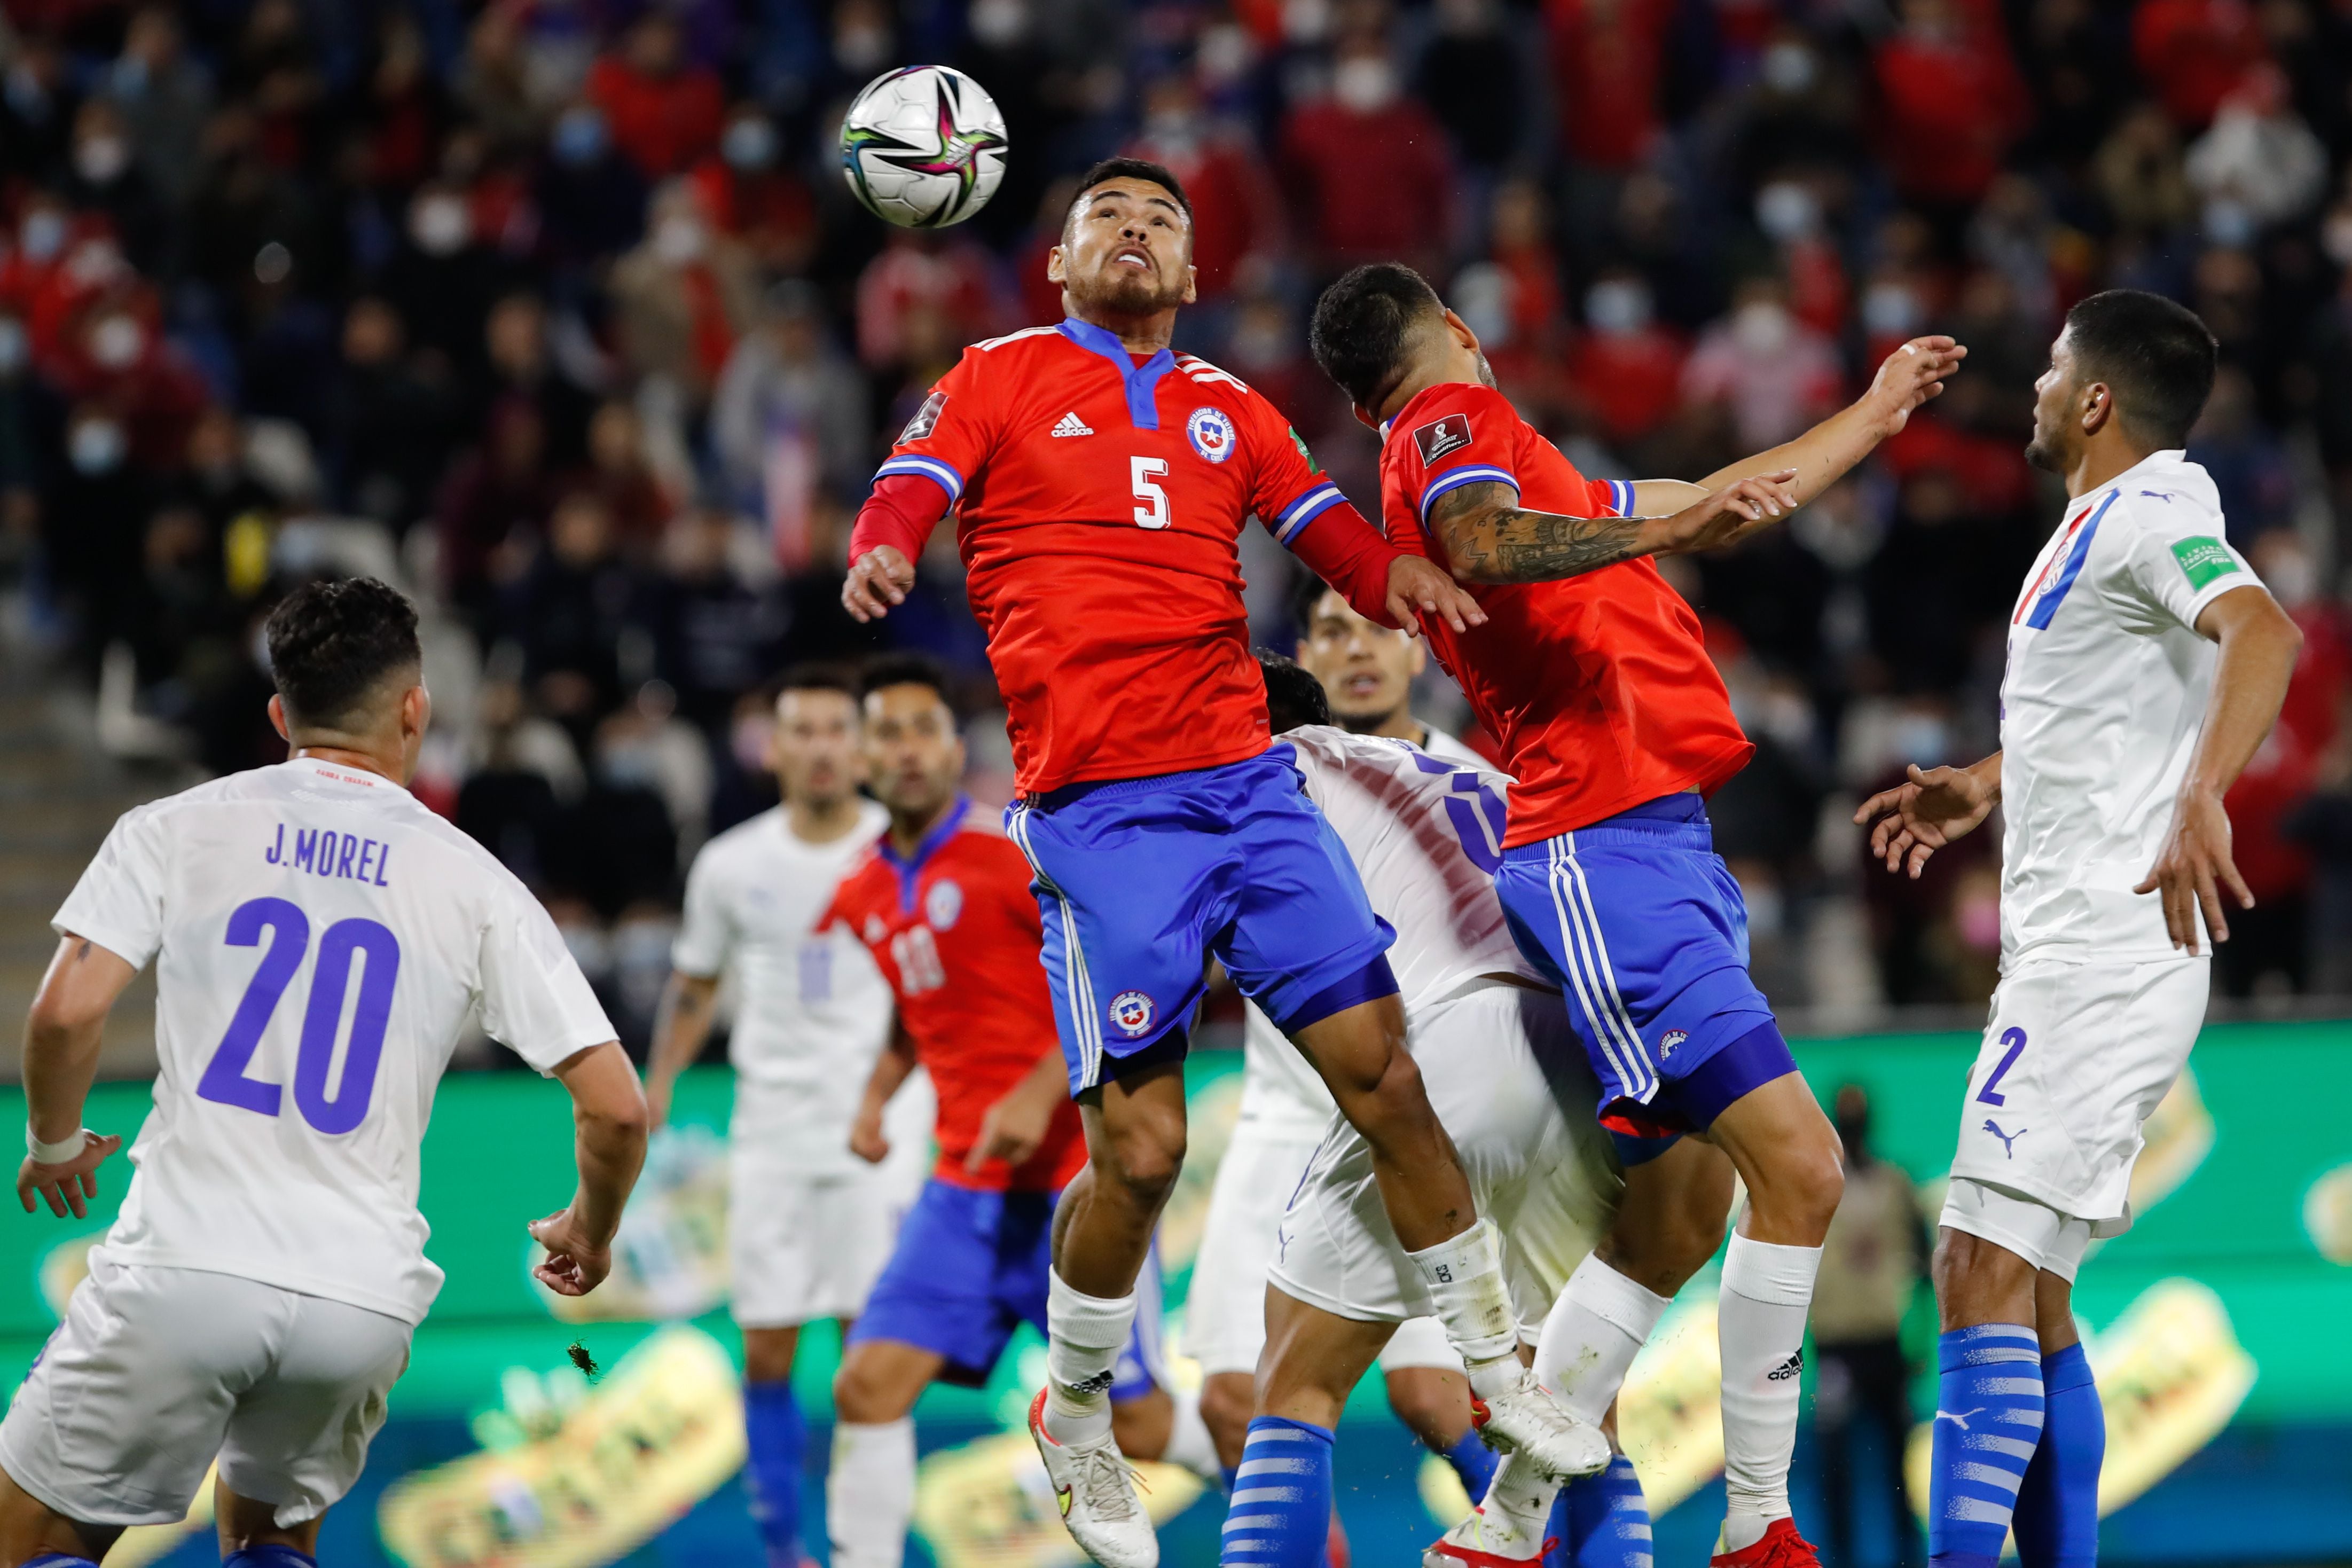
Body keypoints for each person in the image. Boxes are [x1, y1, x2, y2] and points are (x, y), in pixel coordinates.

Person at [841, 158, 1588, 1567]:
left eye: (1162, 223)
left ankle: (1500, 1379)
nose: (1135, 233)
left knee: (1389, 1078)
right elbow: (906, 485)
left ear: (1191, 278)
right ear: (1059, 267)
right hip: (1104, 818)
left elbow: (1330, 539)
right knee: (1140, 1152)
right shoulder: (996, 374)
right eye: (1107, 220)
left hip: (1248, 791)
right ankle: (1073, 1414)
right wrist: (881, 551)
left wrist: (1405, 582)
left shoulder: (1230, 412)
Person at [1306, 260, 1965, 1568]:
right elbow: (1493, 542)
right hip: (1601, 847)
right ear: (1450, 331)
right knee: (1804, 1168)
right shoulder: (1451, 428)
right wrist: (1670, 531)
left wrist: (1872, 417)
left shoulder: (1517, 459)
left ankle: (1499, 1532)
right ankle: (1756, 1524)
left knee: (1673, 1219)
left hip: (1653, 842)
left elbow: (1704, 500)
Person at [0, 577, 647, 1568]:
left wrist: (52, 1142)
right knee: (269, 1542)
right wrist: (589, 1233)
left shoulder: (177, 826)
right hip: (358, 1296)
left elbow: (66, 1012)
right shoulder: (475, 879)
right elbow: (616, 1110)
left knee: (35, 1540)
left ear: (278, 715)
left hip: (188, 1266)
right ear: (414, 708)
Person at [1855, 289, 2301, 1568]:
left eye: (2055, 373)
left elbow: (2258, 628)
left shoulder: (2157, 504)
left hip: (2101, 956)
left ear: (2095, 399)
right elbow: (2109, 707)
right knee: (2034, 1296)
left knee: (1971, 1268)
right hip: (2068, 954)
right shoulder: (2091, 530)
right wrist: (1985, 785)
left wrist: (2205, 794)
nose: (2039, 392)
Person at [1213, 653, 1732, 1568]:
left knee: (1296, 1381)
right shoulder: (1484, 775)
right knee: (1570, 1406)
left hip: (1459, 1045)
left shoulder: (1262, 773)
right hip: (1594, 1056)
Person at [820, 657, 1218, 1568]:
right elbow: (920, 1006)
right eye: (887, 732)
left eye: (924, 729)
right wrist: (878, 1097)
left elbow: (1124, 986)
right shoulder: (860, 889)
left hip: (1073, 1186)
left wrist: (1038, 1091)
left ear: (955, 749)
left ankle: (1288, 1507)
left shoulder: (1013, 855)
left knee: (1145, 1423)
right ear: (862, 757)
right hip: (962, 1189)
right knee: (866, 1386)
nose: (908, 749)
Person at [641, 664, 931, 1568]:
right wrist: (655, 1090)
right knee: (766, 1350)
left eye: (835, 730)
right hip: (769, 1131)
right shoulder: (731, 864)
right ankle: (782, 1549)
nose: (818, 748)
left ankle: (863, 1548)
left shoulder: (908, 848)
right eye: (799, 731)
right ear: (772, 747)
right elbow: (692, 990)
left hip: (880, 1135)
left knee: (868, 1357)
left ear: (864, 746)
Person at [1809, 1086, 1926, 1568]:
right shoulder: (1817, 1187)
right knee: (1836, 1466)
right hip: (1837, 1343)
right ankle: (1841, 1557)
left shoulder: (1895, 1185)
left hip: (1886, 1342)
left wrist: (1918, 1340)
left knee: (1900, 1462)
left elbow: (1923, 1267)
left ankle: (1907, 1554)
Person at [1291, 580, 1488, 763]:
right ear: (1305, 658)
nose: (1359, 649)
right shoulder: (1277, 778)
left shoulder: (1477, 787)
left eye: (1381, 630)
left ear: (1418, 653)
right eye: (1334, 633)